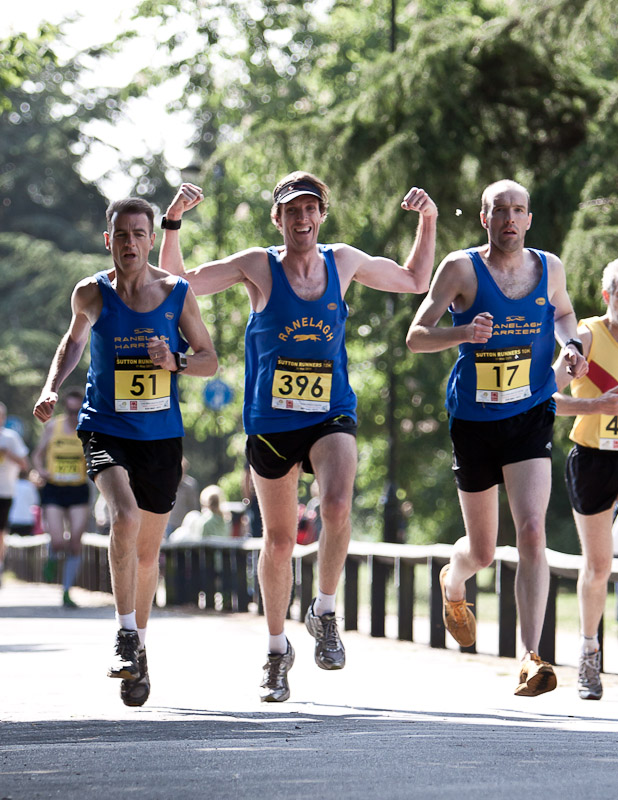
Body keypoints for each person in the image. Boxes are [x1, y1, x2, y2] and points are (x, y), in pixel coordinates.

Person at [159, 171, 437, 702]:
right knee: (281, 540)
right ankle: (275, 650)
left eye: (310, 209)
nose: (301, 219)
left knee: (336, 504)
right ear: (277, 218)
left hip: (330, 411)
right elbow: (180, 281)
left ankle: (325, 611)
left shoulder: (344, 261)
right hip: (272, 420)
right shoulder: (258, 266)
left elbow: (413, 280)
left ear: (321, 216)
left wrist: (428, 220)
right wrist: (172, 222)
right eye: (291, 211)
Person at [33, 196, 218, 708]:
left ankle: (139, 648)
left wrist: (176, 360)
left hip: (160, 437)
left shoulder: (176, 293)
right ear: (107, 239)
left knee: (146, 552)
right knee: (124, 516)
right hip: (105, 428)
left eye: (140, 234)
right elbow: (72, 343)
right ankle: (124, 635)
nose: (131, 243)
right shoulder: (92, 292)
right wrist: (52, 388)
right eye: (122, 234)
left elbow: (210, 360)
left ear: (151, 239)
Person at [406, 179, 587, 697]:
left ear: (529, 218)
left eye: (518, 210)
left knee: (532, 531)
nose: (509, 218)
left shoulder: (549, 267)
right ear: (484, 218)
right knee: (483, 550)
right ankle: (453, 579)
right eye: (499, 210)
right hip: (474, 422)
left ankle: (530, 657)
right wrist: (463, 333)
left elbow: (564, 311)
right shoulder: (460, 269)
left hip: (530, 411)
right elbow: (417, 335)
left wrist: (570, 344)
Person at [553, 257, 618, 700]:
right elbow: (548, 399)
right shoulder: (587, 337)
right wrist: (596, 407)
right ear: (607, 294)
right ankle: (589, 654)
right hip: (594, 458)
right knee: (597, 567)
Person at [32, 388, 91, 608]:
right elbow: (38, 455)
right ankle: (52, 557)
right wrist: (40, 470)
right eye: (70, 409)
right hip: (54, 488)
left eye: (77, 410)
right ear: (65, 408)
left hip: (77, 489)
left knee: (75, 542)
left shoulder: (86, 427)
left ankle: (66, 591)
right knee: (58, 541)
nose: (73, 414)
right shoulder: (53, 427)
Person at [0, 402, 29, 584]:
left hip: (5, 491)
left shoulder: (10, 437)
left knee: (1, 533)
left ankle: (0, 566)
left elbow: (25, 464)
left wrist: (8, 454)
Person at [165, 457, 199, 536]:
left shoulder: (190, 485)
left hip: (184, 525)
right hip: (169, 523)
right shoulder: (168, 483)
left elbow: (193, 507)